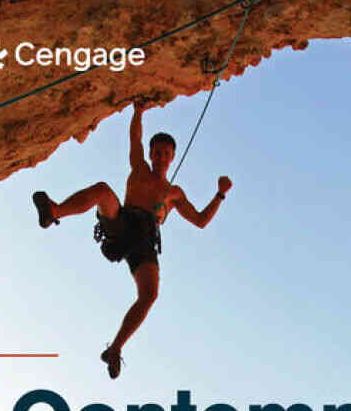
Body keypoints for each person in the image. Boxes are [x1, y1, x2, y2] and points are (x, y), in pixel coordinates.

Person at [32, 99, 232, 378]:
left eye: (166, 153)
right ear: (151, 154)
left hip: (145, 241)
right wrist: (138, 111)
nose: (161, 157)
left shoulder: (174, 193)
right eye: (157, 152)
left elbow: (200, 221)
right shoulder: (139, 168)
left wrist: (220, 194)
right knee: (103, 190)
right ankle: (54, 212)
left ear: (173, 157)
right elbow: (135, 139)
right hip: (123, 221)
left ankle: (115, 349)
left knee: (150, 295)